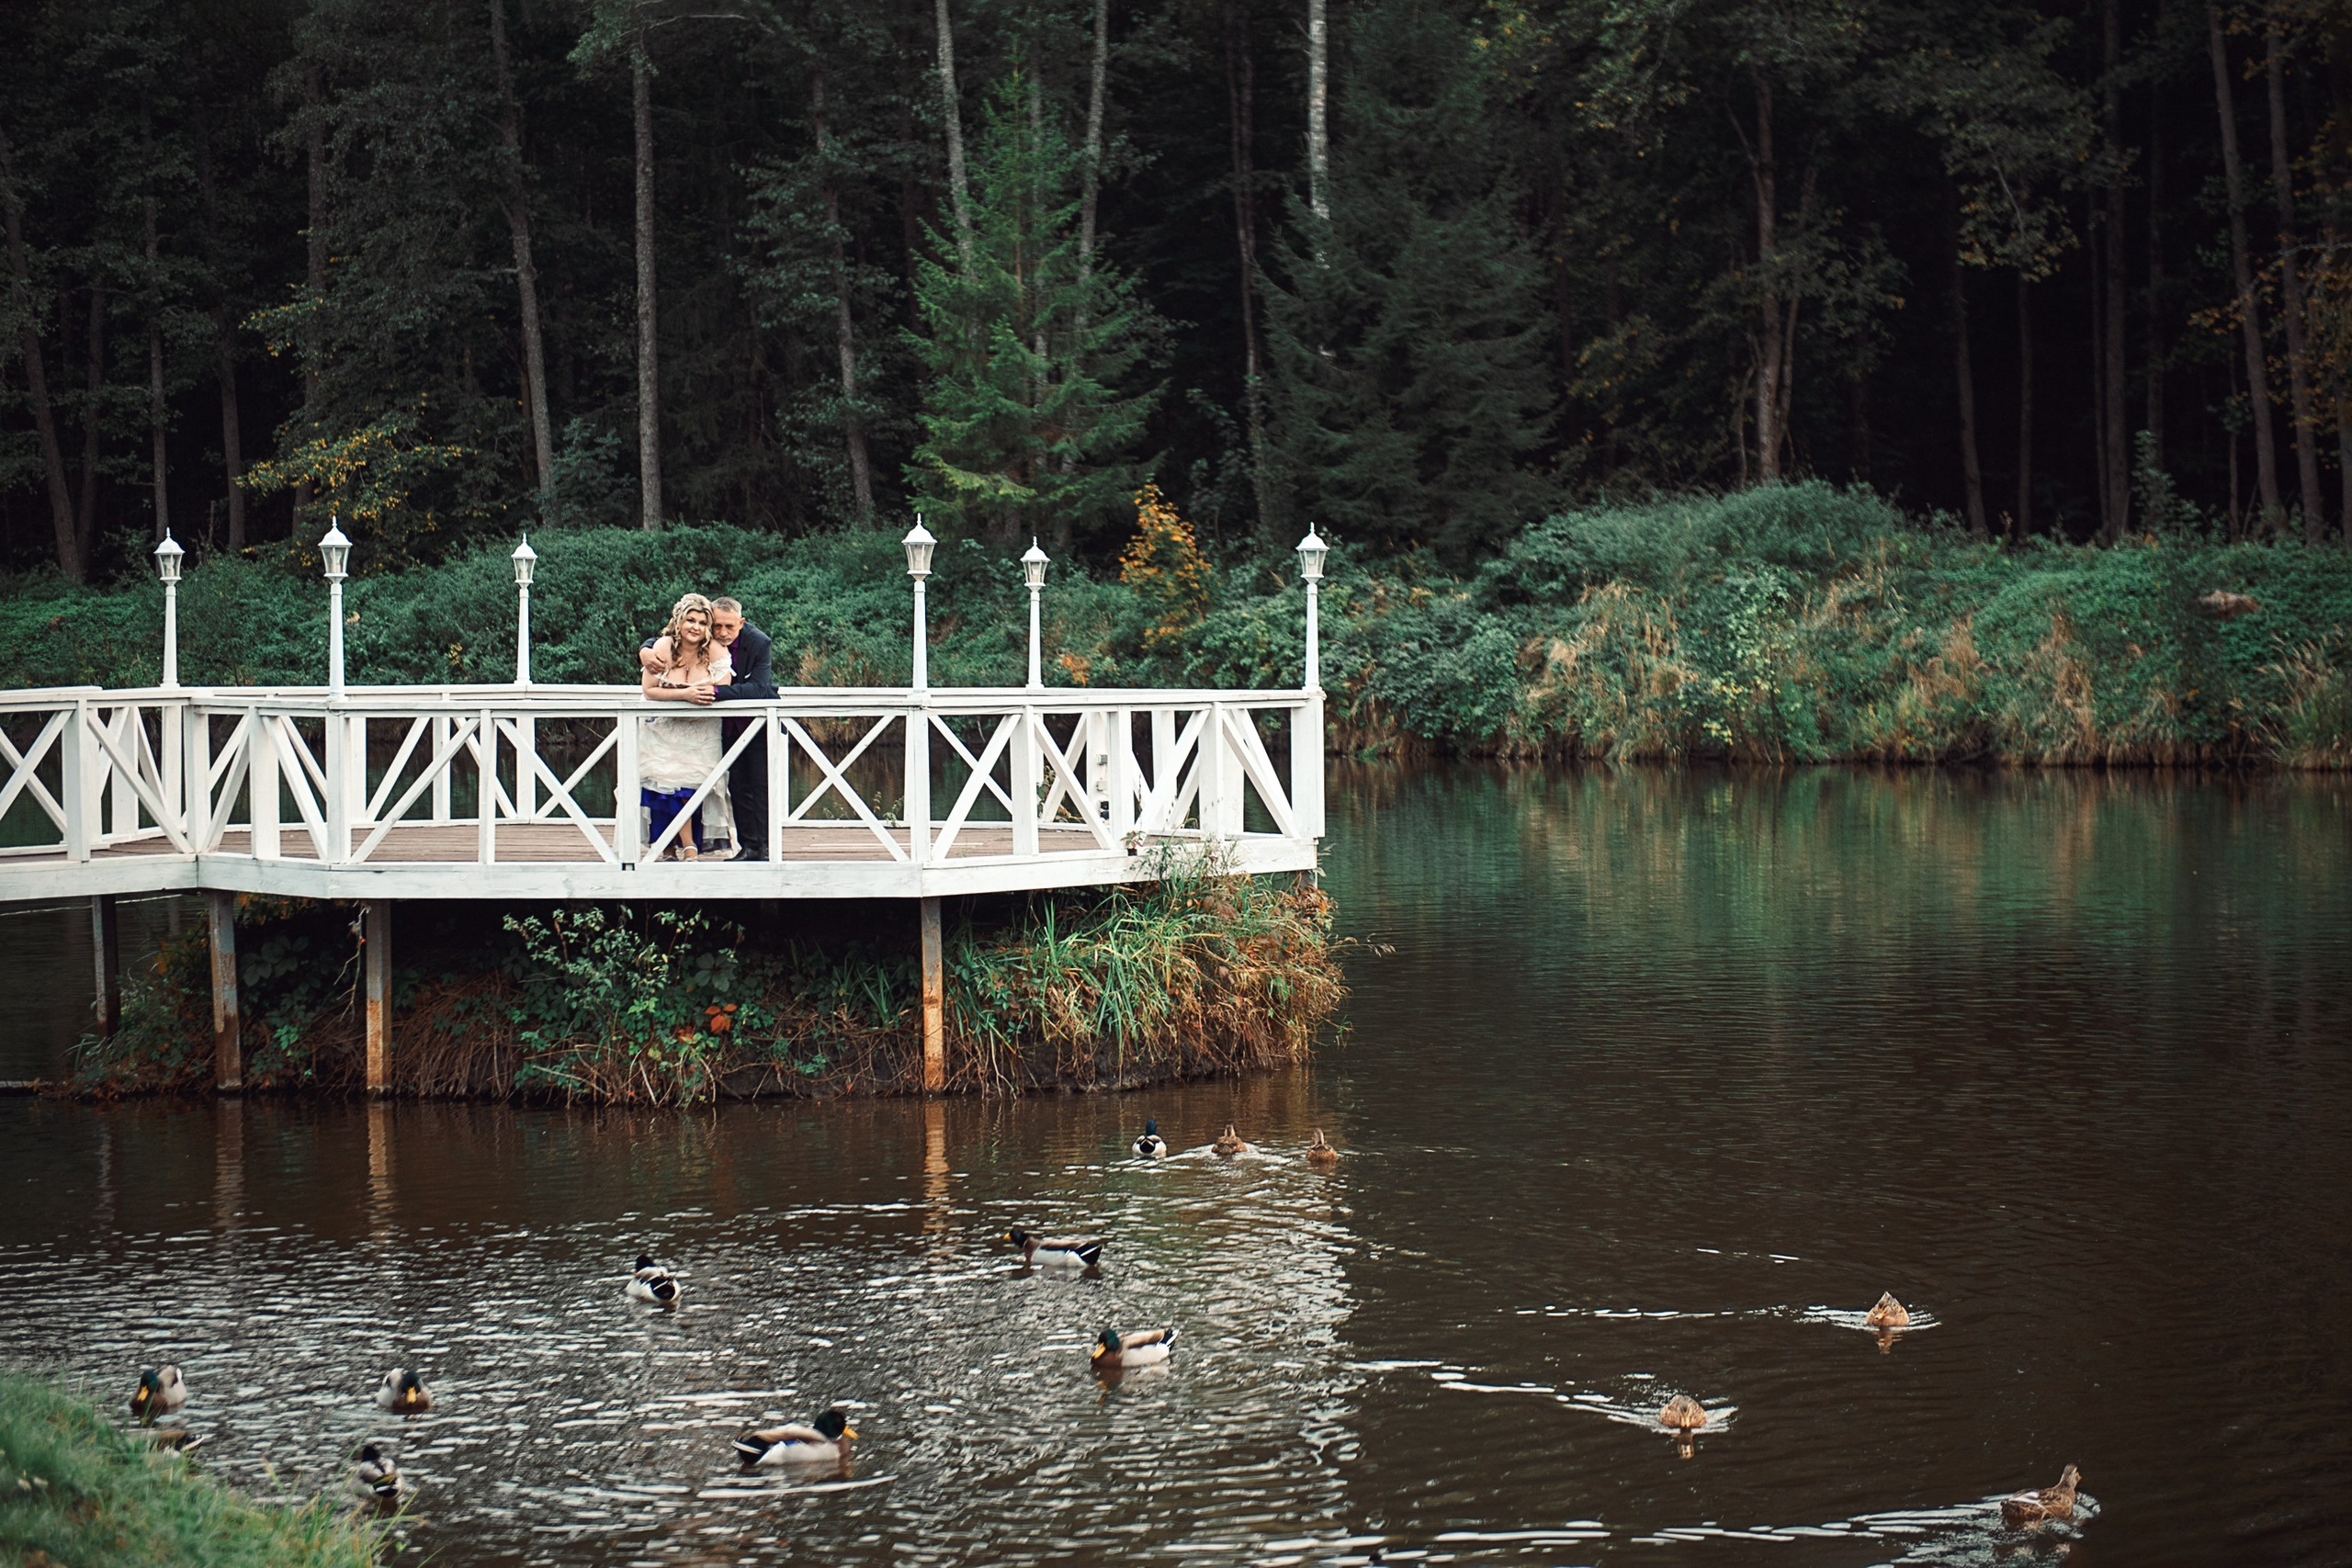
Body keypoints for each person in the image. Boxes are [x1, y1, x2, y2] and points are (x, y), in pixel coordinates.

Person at [642, 594, 778, 861]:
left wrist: (713, 691)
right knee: (738, 787)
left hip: (756, 722)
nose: (722, 632)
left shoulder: (758, 643)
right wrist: (645, 649)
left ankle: (766, 849)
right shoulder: (704, 637)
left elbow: (761, 687)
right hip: (723, 727)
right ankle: (747, 847)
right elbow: (670, 638)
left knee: (760, 788)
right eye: (717, 626)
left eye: (729, 626)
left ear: (741, 623)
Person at [638, 592, 733, 860]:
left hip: (700, 731)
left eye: (702, 622)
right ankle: (679, 846)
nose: (696, 627)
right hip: (664, 729)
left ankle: (676, 845)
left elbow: (724, 684)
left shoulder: (714, 649)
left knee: (689, 789)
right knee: (662, 786)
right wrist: (685, 694)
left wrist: (700, 691)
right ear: (679, 621)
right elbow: (649, 690)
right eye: (690, 620)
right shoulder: (664, 646)